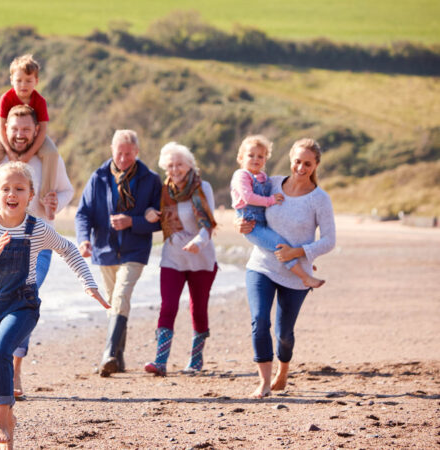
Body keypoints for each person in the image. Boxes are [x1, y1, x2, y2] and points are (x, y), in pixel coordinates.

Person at [0, 161, 109, 446]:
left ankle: (0, 423)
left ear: (30, 195)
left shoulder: (37, 229)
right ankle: (9, 426)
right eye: (6, 188)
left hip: (23, 304)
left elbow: (67, 249)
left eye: (19, 188)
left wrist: (89, 284)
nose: (12, 193)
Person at [0, 104, 74, 399]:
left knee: (24, 298)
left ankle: (15, 369)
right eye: (15, 129)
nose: (20, 135)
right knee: (0, 303)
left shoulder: (47, 159)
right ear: (5, 129)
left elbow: (66, 190)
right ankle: (3, 364)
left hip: (37, 242)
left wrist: (55, 203)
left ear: (36, 130)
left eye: (26, 129)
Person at [234, 138, 336, 399]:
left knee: (284, 334)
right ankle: (264, 383)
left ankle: (284, 368)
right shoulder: (271, 183)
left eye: (307, 163)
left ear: (315, 166)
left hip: (295, 274)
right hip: (262, 266)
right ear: (290, 159)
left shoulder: (319, 199)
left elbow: (329, 240)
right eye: (297, 161)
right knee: (259, 321)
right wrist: (242, 226)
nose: (301, 167)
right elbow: (250, 209)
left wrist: (299, 252)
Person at [75, 129, 162, 377]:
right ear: (112, 151)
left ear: (137, 152)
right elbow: (83, 213)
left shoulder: (150, 179)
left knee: (121, 296)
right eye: (119, 153)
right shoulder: (99, 177)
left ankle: (108, 353)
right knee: (114, 303)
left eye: (128, 153)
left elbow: (160, 220)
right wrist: (83, 241)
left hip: (135, 250)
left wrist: (133, 221)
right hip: (105, 249)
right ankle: (119, 358)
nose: (123, 158)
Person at [142, 142, 218, 376]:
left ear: (189, 165)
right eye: (171, 165)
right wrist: (149, 214)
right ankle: (160, 361)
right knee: (168, 305)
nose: (175, 169)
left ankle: (195, 360)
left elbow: (208, 222)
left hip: (200, 257)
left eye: (180, 164)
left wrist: (199, 242)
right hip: (173, 256)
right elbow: (150, 210)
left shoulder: (202, 187)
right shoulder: (163, 189)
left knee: (198, 309)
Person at [231, 135, 324, 288]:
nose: (256, 159)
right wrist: (269, 201)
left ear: (265, 160)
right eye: (250, 155)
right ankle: (304, 275)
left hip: (261, 222)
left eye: (260, 156)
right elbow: (247, 197)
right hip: (252, 224)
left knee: (281, 242)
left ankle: (302, 268)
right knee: (279, 244)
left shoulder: (266, 179)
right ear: (240, 157)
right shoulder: (241, 175)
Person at [0, 54, 60, 220]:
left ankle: (46, 200)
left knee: (52, 153)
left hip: (35, 136)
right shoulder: (6, 98)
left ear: (36, 81)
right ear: (11, 80)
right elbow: (1, 127)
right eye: (19, 80)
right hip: (6, 136)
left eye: (28, 81)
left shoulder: (39, 101)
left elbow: (43, 129)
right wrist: (9, 151)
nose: (23, 85)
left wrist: (29, 155)